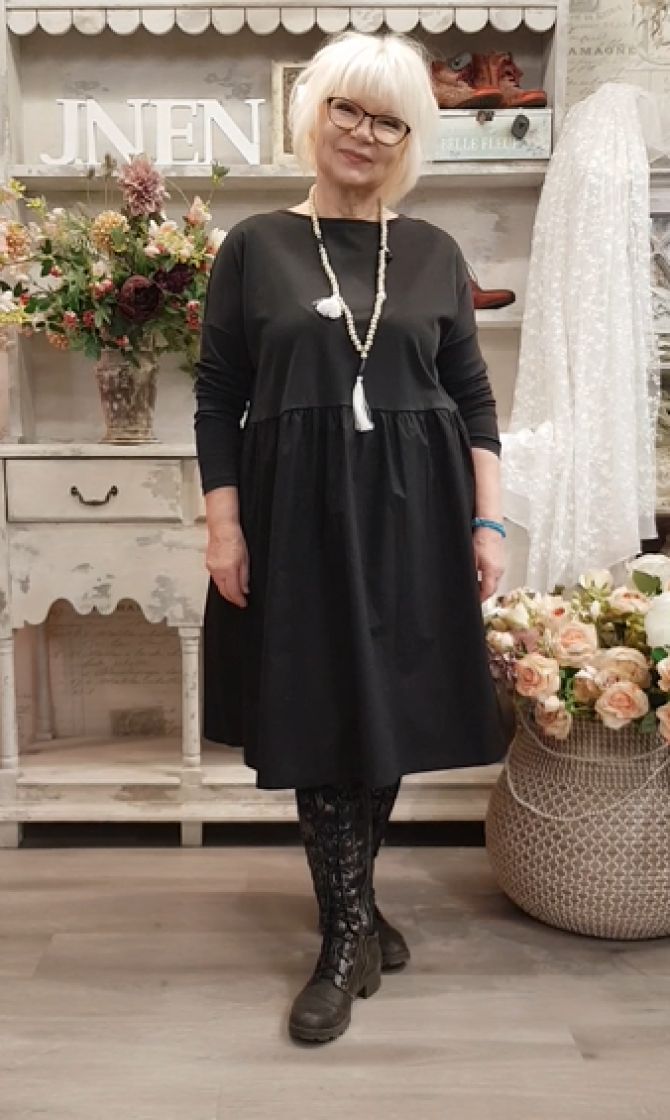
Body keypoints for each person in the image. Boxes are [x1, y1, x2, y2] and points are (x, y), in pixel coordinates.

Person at [194, 30, 507, 1045]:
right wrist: (222, 526)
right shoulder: (253, 246)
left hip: (416, 510)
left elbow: (473, 398)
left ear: (409, 140)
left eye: (388, 120)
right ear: (314, 111)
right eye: (347, 108)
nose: (363, 133)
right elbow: (218, 398)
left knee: (386, 709)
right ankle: (346, 932)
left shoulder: (434, 251)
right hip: (295, 510)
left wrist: (487, 519)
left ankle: (354, 915)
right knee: (321, 710)